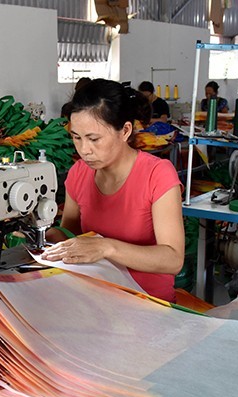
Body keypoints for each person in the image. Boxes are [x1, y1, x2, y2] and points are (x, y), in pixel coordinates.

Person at [42, 79, 185, 301]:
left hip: (148, 304)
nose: (84, 150)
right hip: (94, 297)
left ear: (125, 130)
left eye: (94, 139)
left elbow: (173, 259)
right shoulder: (79, 173)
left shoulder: (157, 174)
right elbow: (68, 234)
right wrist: (41, 235)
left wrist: (107, 247)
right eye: (76, 137)